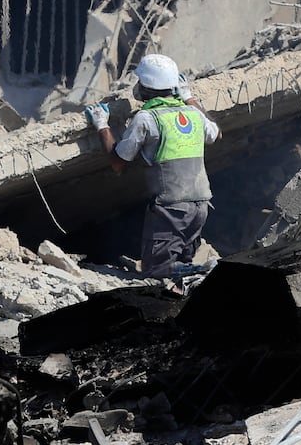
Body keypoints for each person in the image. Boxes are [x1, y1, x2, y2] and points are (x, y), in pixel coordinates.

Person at [85, 53, 219, 280]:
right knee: (181, 261)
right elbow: (216, 132)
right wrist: (189, 98)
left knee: (156, 272)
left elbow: (118, 163)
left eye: (140, 83)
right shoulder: (192, 113)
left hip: (171, 208)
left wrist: (101, 126)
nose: (137, 87)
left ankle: (204, 270)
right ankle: (192, 274)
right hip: (201, 205)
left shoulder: (147, 118)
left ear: (146, 88)